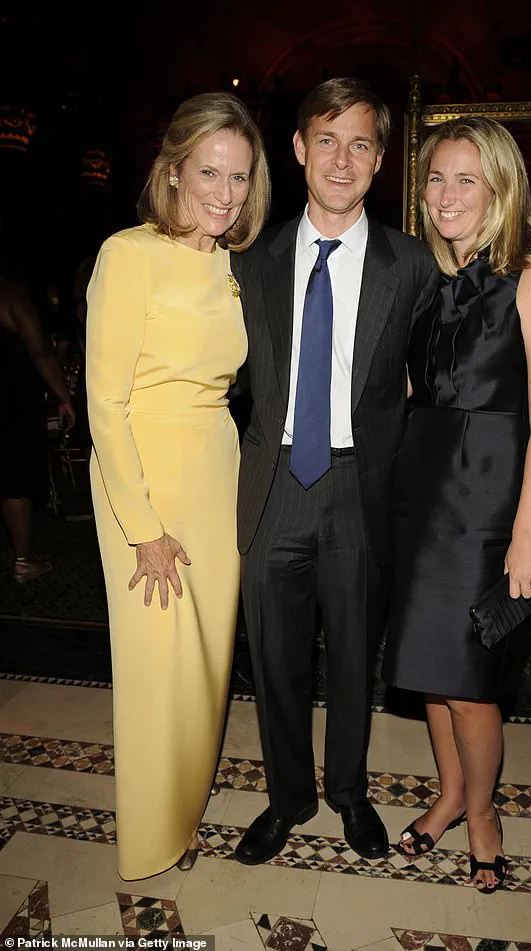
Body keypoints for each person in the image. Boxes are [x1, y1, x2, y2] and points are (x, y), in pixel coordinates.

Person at [231, 78, 439, 865]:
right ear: (298, 149)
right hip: (274, 483)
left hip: (359, 484)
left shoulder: (411, 265)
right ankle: (288, 797)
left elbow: (434, 374)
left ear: (381, 159)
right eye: (327, 140)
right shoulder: (250, 261)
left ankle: (349, 792)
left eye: (360, 144)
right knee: (275, 660)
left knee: (354, 656)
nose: (342, 160)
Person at [85, 92, 270, 880]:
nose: (224, 193)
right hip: (143, 479)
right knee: (156, 665)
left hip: (217, 474)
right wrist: (143, 527)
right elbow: (105, 404)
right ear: (173, 171)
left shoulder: (237, 266)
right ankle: (153, 835)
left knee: (204, 664)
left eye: (239, 176)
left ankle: (185, 809)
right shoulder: (128, 255)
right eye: (209, 173)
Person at [382, 116, 531, 892]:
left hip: (487, 502)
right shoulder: (428, 276)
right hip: (419, 489)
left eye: (466, 179)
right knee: (429, 668)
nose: (446, 194)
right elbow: (408, 388)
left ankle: (484, 812)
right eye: (436, 178)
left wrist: (526, 532)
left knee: (467, 681)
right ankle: (450, 793)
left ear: (500, 188)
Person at [0, 270, 75, 581]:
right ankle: (22, 559)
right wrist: (64, 396)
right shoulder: (9, 291)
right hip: (10, 398)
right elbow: (39, 347)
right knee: (14, 476)